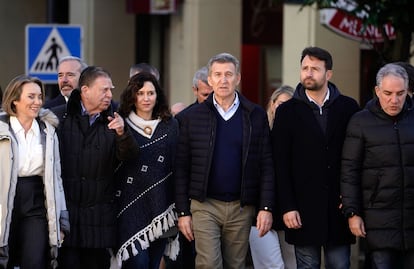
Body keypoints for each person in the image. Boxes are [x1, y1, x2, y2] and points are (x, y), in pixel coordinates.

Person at [175, 52, 274, 269]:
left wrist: (266, 207)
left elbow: (266, 164)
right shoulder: (192, 117)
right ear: (209, 80)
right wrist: (183, 212)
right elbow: (181, 168)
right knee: (209, 263)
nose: (223, 80)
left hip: (241, 206)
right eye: (217, 75)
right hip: (204, 205)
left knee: (236, 265)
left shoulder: (255, 115)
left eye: (229, 74)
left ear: (238, 78)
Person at [271, 46, 359, 269]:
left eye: (315, 69)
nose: (308, 73)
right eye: (305, 68)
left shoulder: (348, 108)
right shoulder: (287, 111)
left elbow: (356, 160)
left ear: (328, 74)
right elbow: (280, 163)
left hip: (338, 209)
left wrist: (351, 203)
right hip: (302, 210)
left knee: (340, 265)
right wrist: (287, 207)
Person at [53, 66, 139, 269]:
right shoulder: (59, 118)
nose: (110, 95)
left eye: (110, 89)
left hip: (100, 220)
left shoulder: (115, 119)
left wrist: (122, 133)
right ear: (85, 91)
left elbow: (130, 158)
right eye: (104, 90)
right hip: (67, 218)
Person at [340, 63, 414, 269]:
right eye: (388, 93)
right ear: (377, 91)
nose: (394, 100)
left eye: (400, 93)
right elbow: (349, 171)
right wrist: (352, 213)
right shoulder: (360, 121)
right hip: (377, 218)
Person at [0, 75, 69, 269]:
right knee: (4, 258)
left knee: (35, 260)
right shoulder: (1, 129)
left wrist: (61, 220)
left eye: (40, 97)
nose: (37, 102)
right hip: (3, 202)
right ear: (15, 100)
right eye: (31, 97)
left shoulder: (48, 131)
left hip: (36, 202)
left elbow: (56, 177)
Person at [113, 72, 179, 269]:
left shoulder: (170, 125)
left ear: (157, 95)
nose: (146, 98)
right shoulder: (121, 123)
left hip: (161, 205)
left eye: (150, 93)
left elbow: (176, 164)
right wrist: (121, 133)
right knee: (138, 263)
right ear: (132, 96)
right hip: (128, 205)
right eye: (140, 93)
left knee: (153, 264)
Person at [249, 85, 295, 269]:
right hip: (259, 211)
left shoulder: (299, 139)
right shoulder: (258, 132)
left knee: (293, 265)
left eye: (290, 105)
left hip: (290, 213)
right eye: (281, 103)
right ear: (272, 104)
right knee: (271, 266)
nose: (284, 109)